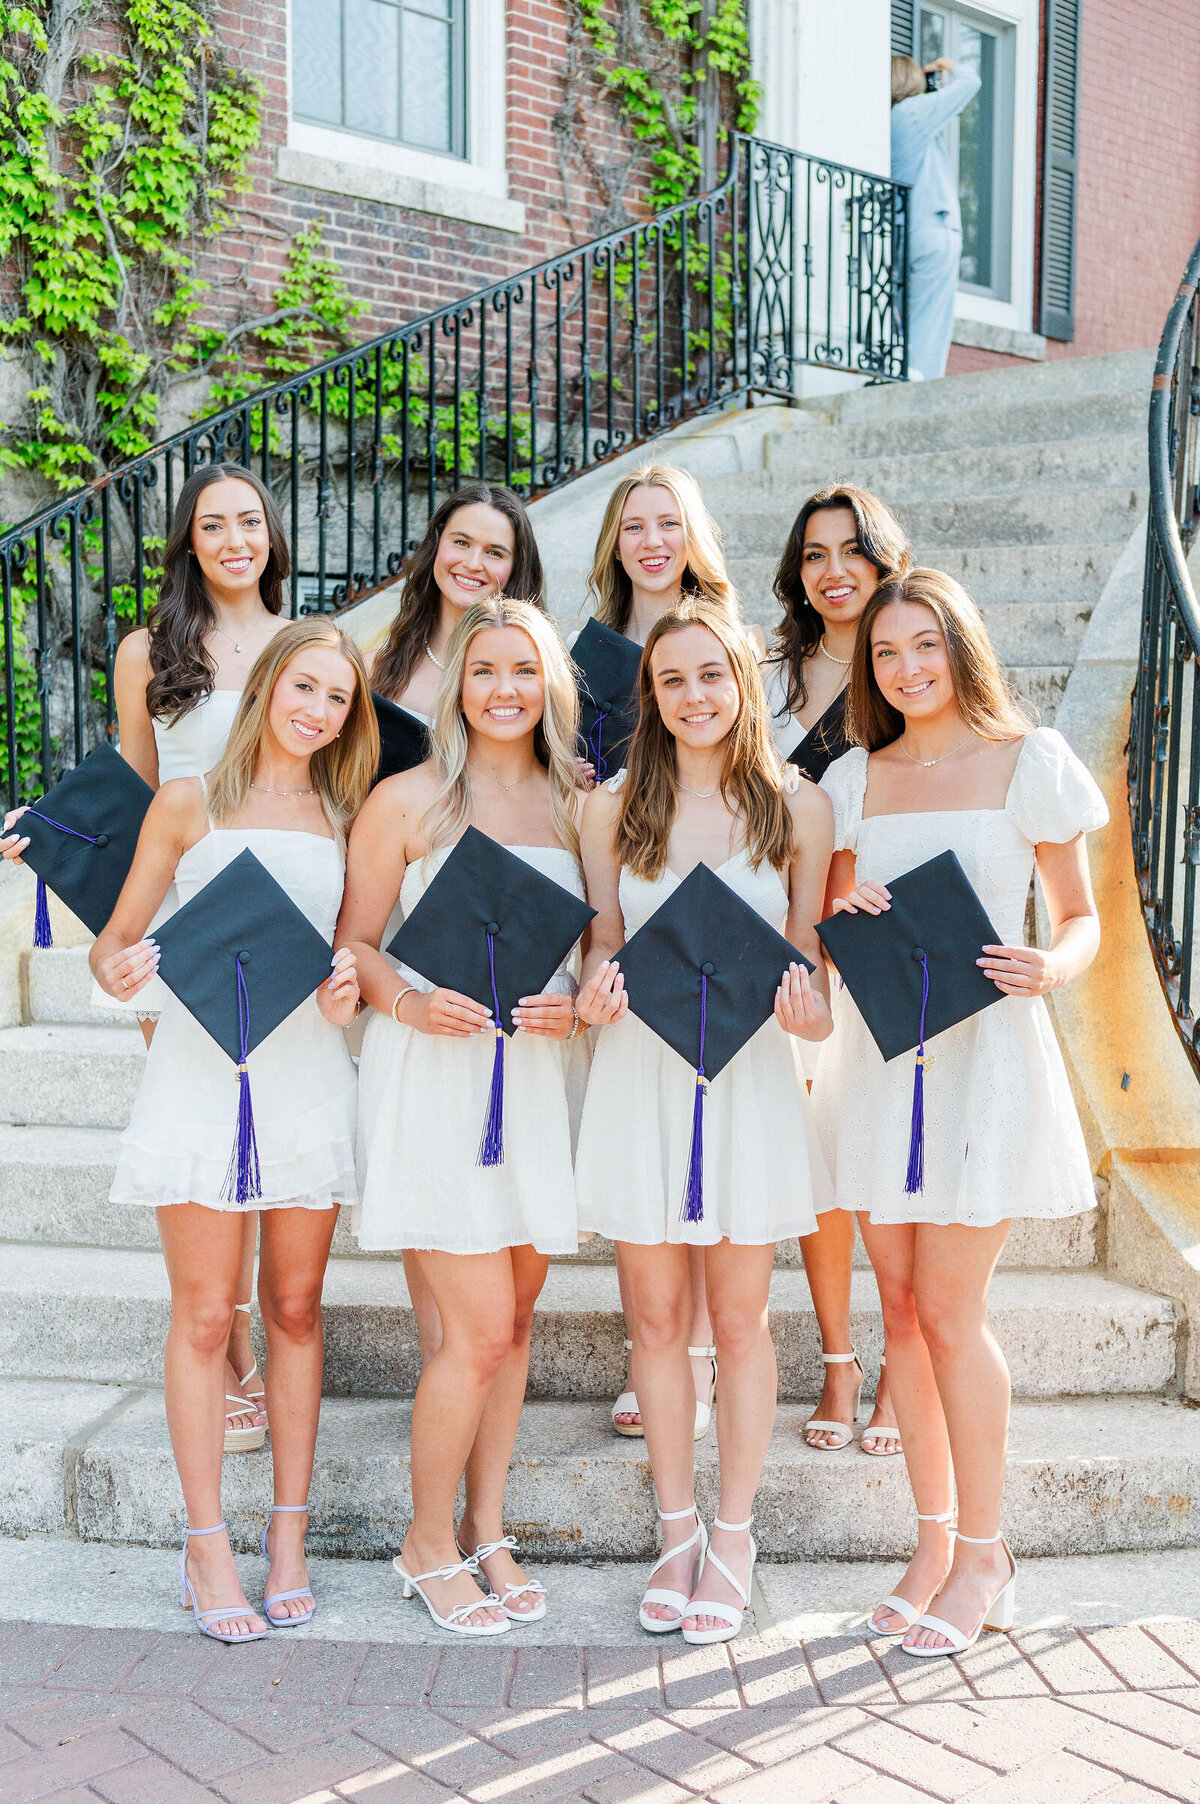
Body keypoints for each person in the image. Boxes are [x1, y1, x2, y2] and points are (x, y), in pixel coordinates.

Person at [814, 568, 1107, 1656]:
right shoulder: (854, 778)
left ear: (960, 645)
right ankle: (934, 1545)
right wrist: (840, 908)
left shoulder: (1031, 761)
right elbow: (830, 921)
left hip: (986, 1058)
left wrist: (1050, 964)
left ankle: (988, 1552)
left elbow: (1080, 919)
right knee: (897, 1313)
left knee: (948, 1310)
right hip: (885, 1061)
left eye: (924, 645)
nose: (906, 668)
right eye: (886, 653)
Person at [90, 618, 377, 1642]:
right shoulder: (188, 799)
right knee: (207, 1317)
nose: (317, 710)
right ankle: (206, 1542)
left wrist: (353, 988)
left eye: (337, 698)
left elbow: (357, 957)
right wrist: (121, 970)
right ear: (267, 686)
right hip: (200, 1078)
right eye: (304, 686)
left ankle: (286, 1539)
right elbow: (114, 946)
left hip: (303, 1076)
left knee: (295, 1308)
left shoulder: (350, 812)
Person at [1, 462, 292, 1454]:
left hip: (284, 913)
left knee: (265, 1138)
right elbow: (133, 780)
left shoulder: (306, 644)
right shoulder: (148, 652)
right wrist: (50, 826)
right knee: (204, 1140)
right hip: (184, 918)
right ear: (189, 541)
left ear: (271, 533)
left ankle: (248, 1335)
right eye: (214, 524)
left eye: (250, 520)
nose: (235, 539)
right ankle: (229, 1347)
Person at [574, 600, 834, 1641]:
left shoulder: (797, 808)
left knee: (738, 1320)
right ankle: (674, 1530)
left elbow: (807, 958)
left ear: (744, 684)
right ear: (651, 694)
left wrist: (810, 1002)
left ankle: (735, 1531)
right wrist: (594, 989)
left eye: (712, 676)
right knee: (654, 1321)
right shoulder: (610, 811)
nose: (694, 697)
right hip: (642, 1075)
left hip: (749, 1078)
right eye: (673, 680)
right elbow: (601, 945)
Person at [338, 597, 588, 1637]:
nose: (502, 690)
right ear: (456, 684)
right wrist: (408, 998)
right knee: (474, 1329)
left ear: (551, 686)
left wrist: (578, 998)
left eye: (523, 671)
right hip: (434, 1075)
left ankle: (488, 1527)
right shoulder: (407, 801)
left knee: (516, 1322)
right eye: (483, 670)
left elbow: (603, 945)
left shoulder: (581, 803)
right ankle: (425, 1540)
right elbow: (356, 944)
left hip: (537, 1079)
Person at [586, 463, 760, 1440]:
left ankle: (700, 1348)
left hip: (718, 896)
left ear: (694, 534)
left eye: (668, 523)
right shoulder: (588, 658)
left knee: (713, 1129)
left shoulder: (733, 643)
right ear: (614, 542)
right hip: (626, 866)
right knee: (650, 1138)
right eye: (634, 525)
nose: (651, 540)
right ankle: (653, 1344)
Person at [368, 483, 544, 1364]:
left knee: (500, 1309)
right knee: (447, 1273)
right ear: (434, 547)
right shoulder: (383, 667)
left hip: (515, 954)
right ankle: (445, 1357)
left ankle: (460, 1367)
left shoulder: (524, 664)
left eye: (496, 550)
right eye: (461, 543)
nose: (474, 563)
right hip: (419, 914)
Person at [765, 484, 911, 1459]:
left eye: (853, 549)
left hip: (888, 930)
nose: (834, 570)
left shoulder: (913, 658)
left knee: (883, 1151)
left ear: (883, 558)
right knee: (816, 1159)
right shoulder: (767, 670)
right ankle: (837, 1361)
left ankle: (904, 1360)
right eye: (815, 553)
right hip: (788, 929)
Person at [890, 54, 982, 381]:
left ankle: (905, 372)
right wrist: (948, 66)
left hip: (905, 233)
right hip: (933, 228)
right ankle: (921, 381)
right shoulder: (913, 114)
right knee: (930, 321)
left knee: (908, 316)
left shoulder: (892, 119)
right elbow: (970, 83)